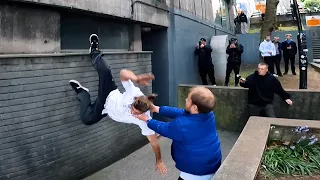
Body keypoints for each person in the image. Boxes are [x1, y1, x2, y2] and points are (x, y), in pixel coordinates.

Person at [69, 34, 167, 175]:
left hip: (106, 109)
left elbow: (154, 143)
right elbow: (123, 73)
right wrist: (136, 78)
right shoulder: (135, 93)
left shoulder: (146, 122)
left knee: (87, 119)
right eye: (132, 108)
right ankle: (94, 49)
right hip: (109, 93)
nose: (132, 113)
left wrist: (159, 160)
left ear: (143, 113)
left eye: (135, 113)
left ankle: (82, 93)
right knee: (105, 71)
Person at [134, 86, 222, 180]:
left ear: (194, 107)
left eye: (188, 99)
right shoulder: (208, 114)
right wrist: (157, 109)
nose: (185, 99)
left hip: (196, 171)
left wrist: (147, 120)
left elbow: (164, 128)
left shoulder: (181, 126)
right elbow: (180, 112)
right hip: (212, 162)